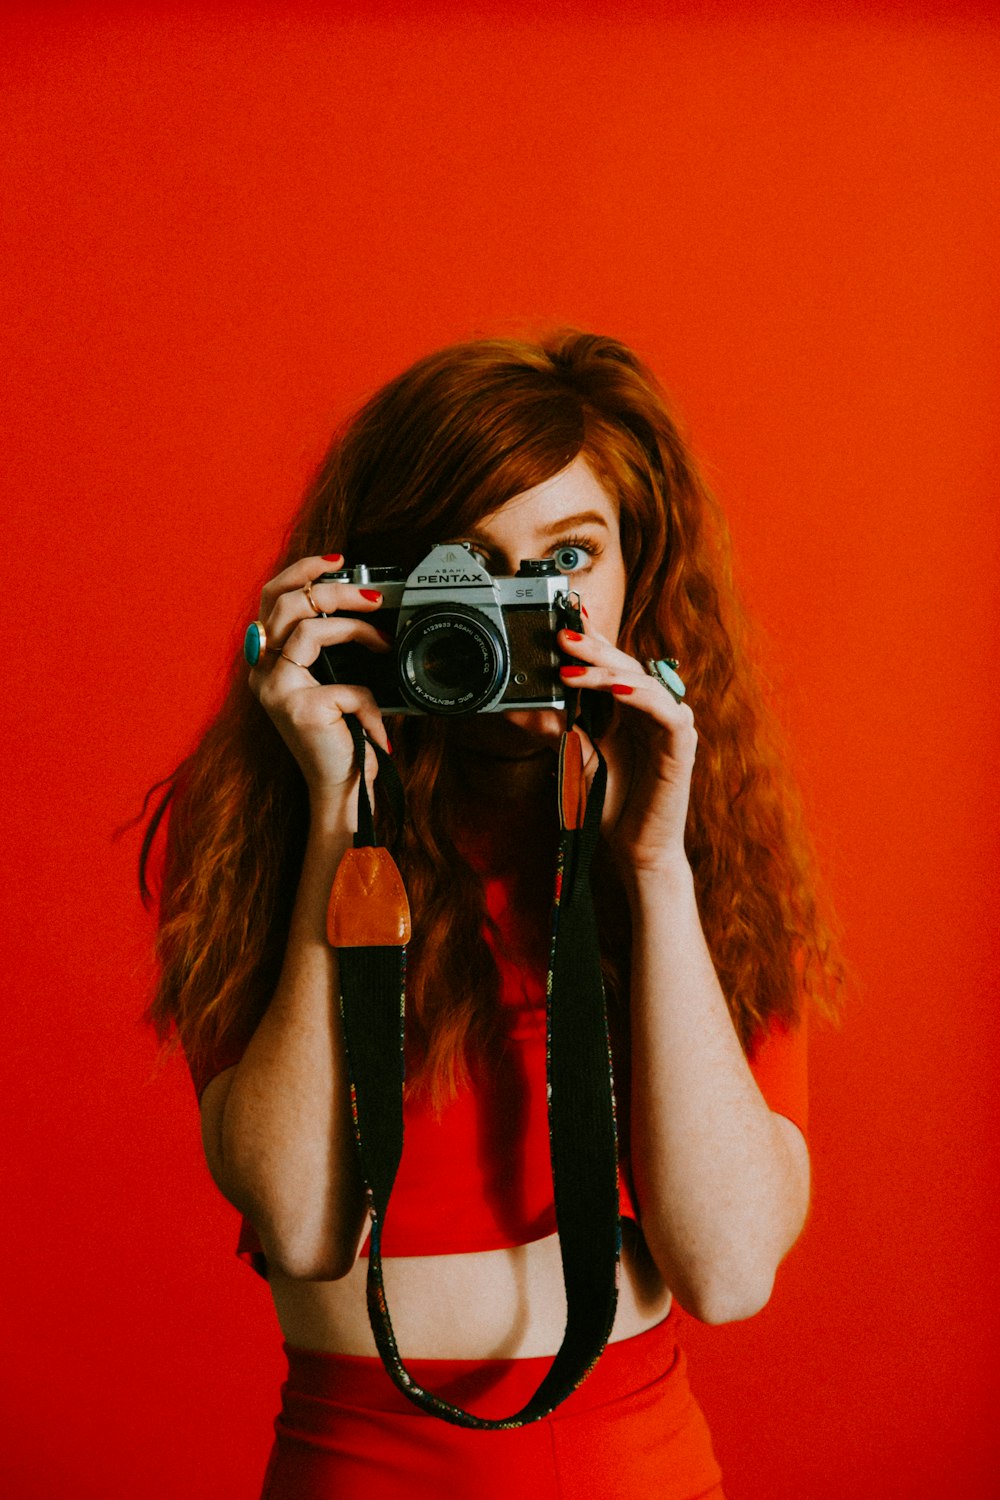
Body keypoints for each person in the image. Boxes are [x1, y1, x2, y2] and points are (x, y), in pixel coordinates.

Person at [141, 330, 842, 1499]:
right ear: (375, 584)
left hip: (638, 1460)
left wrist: (654, 868)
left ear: (636, 570)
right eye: (468, 568)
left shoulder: (701, 837)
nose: (524, 612)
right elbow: (308, 1227)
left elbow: (727, 1272)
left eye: (566, 559)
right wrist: (334, 816)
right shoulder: (261, 835)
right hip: (353, 1463)